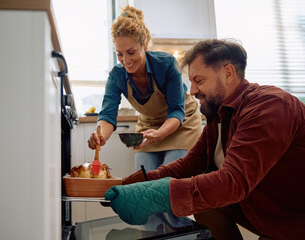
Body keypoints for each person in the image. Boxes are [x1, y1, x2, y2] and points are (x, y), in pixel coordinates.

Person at [104, 39, 305, 240]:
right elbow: (191, 165)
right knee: (206, 205)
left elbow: (232, 181)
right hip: (265, 213)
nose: (192, 91)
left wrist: (153, 195)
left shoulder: (269, 106)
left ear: (228, 73)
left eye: (199, 81)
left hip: (293, 223)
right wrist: (128, 185)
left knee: (209, 194)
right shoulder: (220, 116)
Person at [87, 5, 202, 171]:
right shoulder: (116, 75)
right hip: (149, 126)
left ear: (145, 45)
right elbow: (107, 115)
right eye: (119, 54)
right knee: (143, 179)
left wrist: (160, 134)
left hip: (181, 123)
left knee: (168, 177)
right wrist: (100, 136)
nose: (125, 60)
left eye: (131, 52)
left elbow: (177, 110)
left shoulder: (167, 64)